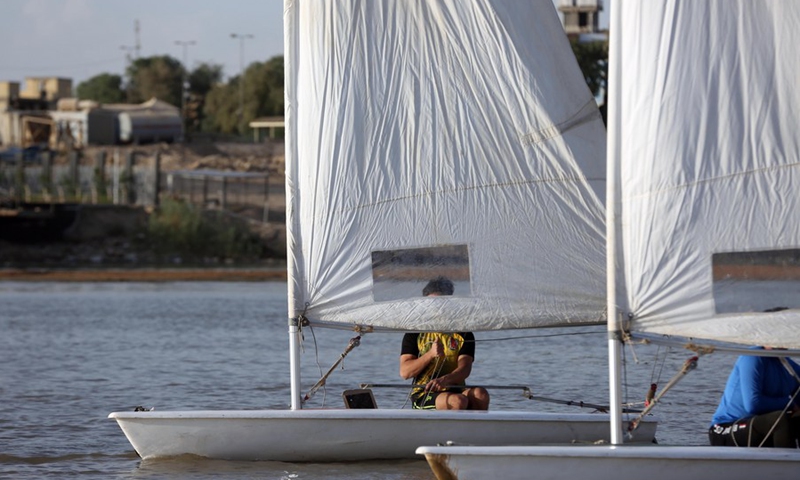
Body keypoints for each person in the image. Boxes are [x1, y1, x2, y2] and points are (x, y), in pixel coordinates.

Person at [399, 276, 490, 410]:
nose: (436, 309)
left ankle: (476, 430)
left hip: (454, 388)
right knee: (458, 401)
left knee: (480, 394)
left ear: (449, 304)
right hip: (424, 393)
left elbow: (464, 369)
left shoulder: (463, 334)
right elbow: (405, 372)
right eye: (431, 305)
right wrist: (430, 354)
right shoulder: (415, 333)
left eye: (440, 304)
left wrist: (445, 380)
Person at [709, 347, 800, 448]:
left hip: (761, 427)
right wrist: (790, 404)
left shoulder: (789, 366)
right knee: (780, 420)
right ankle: (784, 462)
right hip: (725, 428)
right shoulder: (752, 357)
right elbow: (753, 404)